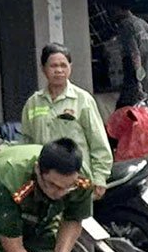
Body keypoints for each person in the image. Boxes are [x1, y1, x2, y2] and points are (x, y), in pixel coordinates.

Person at [22, 44, 112, 196]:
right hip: (45, 183)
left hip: (77, 181)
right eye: (53, 66)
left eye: (63, 65)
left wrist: (100, 177)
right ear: (43, 69)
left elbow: (98, 142)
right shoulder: (33, 103)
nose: (59, 70)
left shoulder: (82, 100)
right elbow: (26, 142)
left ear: (70, 67)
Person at [104, 0, 148, 110]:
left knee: (121, 114)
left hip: (137, 90)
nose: (110, 14)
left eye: (111, 10)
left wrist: (138, 84)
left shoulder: (126, 25)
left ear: (117, 8)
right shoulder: (143, 24)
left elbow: (134, 55)